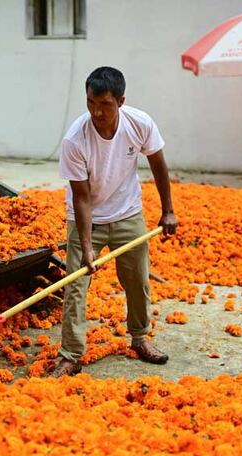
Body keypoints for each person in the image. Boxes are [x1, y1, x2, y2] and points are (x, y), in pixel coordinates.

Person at [47, 66, 178, 378]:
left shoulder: (140, 123)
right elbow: (80, 197)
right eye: (91, 102)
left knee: (137, 279)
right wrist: (88, 247)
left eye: (105, 104)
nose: (96, 111)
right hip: (86, 218)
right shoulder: (75, 140)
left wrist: (168, 210)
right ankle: (70, 355)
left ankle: (139, 338)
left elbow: (158, 163)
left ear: (121, 101)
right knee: (76, 287)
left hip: (128, 212)